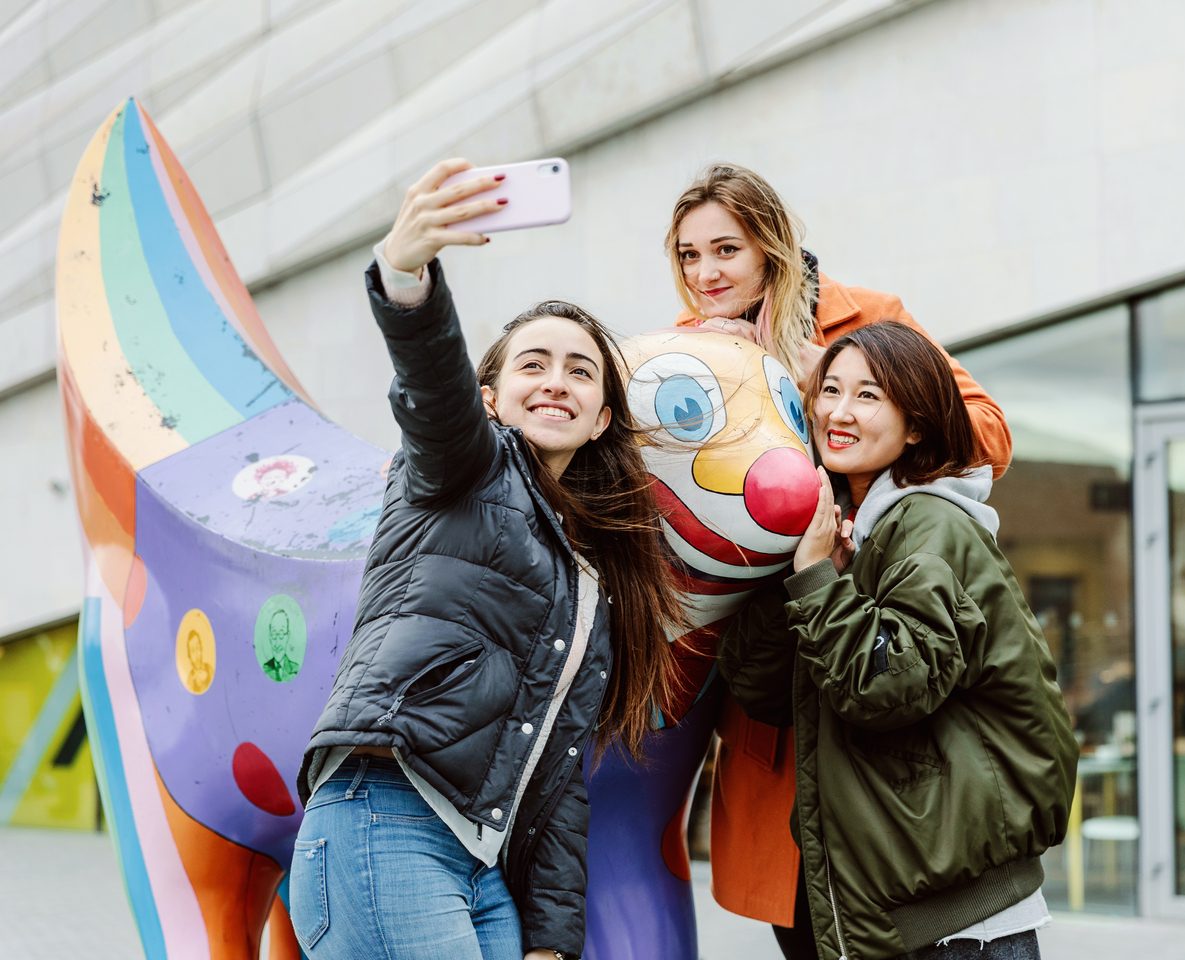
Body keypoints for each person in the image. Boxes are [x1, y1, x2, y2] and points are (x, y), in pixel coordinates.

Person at [290, 160, 685, 960]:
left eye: (580, 371)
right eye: (532, 365)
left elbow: (558, 775)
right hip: (384, 817)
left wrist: (551, 939)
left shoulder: (591, 578)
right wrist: (406, 278)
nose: (556, 382)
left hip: (480, 862)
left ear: (603, 415)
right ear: (492, 396)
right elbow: (431, 391)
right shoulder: (462, 466)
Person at [665, 162, 1014, 950]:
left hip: (873, 624)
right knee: (803, 905)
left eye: (726, 249)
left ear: (772, 248)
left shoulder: (865, 320)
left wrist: (827, 404)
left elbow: (989, 433)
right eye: (689, 256)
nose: (706, 273)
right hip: (760, 656)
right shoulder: (677, 355)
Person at [718, 322, 1076, 960]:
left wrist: (814, 580)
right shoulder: (844, 529)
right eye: (829, 389)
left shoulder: (927, 523)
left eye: (868, 396)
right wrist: (805, 569)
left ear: (915, 425)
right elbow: (762, 690)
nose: (839, 411)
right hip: (906, 904)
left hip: (959, 922)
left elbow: (886, 687)